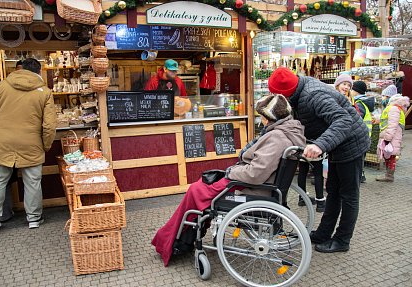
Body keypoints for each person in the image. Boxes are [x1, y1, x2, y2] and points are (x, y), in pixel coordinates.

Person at [152, 94, 306, 266]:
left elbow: (255, 173)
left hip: (251, 189)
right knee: (202, 185)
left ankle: (173, 240)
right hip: (259, 185)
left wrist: (231, 172)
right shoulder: (290, 132)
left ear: (270, 117)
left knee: (196, 190)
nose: (260, 119)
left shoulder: (277, 138)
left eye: (261, 116)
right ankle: (180, 237)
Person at [268, 67, 370, 253]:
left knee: (348, 195)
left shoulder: (314, 95)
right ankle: (323, 233)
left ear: (286, 93)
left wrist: (319, 145)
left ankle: (342, 240)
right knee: (332, 189)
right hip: (337, 144)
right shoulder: (300, 92)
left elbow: (343, 120)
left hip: (352, 142)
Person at [0, 58, 57, 231]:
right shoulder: (44, 92)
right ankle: (33, 219)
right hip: (31, 143)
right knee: (32, 182)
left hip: (3, 142)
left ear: (20, 69)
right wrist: (45, 145)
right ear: (38, 72)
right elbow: (49, 125)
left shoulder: (2, 86)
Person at [376, 94, 410, 182]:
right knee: (390, 156)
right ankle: (389, 175)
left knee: (390, 157)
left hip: (391, 137)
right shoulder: (398, 109)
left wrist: (387, 138)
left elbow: (392, 125)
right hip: (395, 137)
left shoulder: (394, 109)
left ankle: (389, 176)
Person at [350, 80, 375, 183]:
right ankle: (361, 175)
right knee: (360, 158)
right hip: (365, 135)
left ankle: (359, 176)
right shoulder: (363, 103)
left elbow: (356, 119)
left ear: (356, 91)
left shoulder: (359, 104)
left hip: (360, 136)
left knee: (358, 159)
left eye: (352, 88)